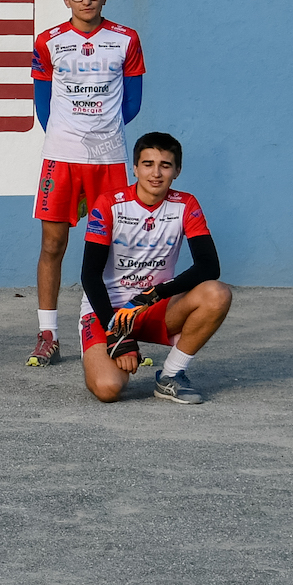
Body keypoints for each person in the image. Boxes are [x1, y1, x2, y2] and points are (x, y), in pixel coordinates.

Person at [26, 0, 144, 367]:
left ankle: (117, 331)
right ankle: (48, 335)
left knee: (114, 247)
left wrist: (100, 136)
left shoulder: (126, 39)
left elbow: (132, 103)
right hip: (61, 158)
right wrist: (68, 138)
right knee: (53, 245)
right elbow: (43, 105)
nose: (86, 0)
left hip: (108, 159)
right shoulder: (49, 41)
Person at [79, 133, 231, 405]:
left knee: (216, 294)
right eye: (148, 164)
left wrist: (154, 294)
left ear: (177, 171)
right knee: (107, 389)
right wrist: (115, 332)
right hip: (107, 309)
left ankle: (171, 375)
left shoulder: (186, 204)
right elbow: (89, 275)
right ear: (135, 168)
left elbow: (209, 266)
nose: (156, 173)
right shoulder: (109, 204)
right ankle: (107, 348)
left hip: (152, 306)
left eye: (165, 165)